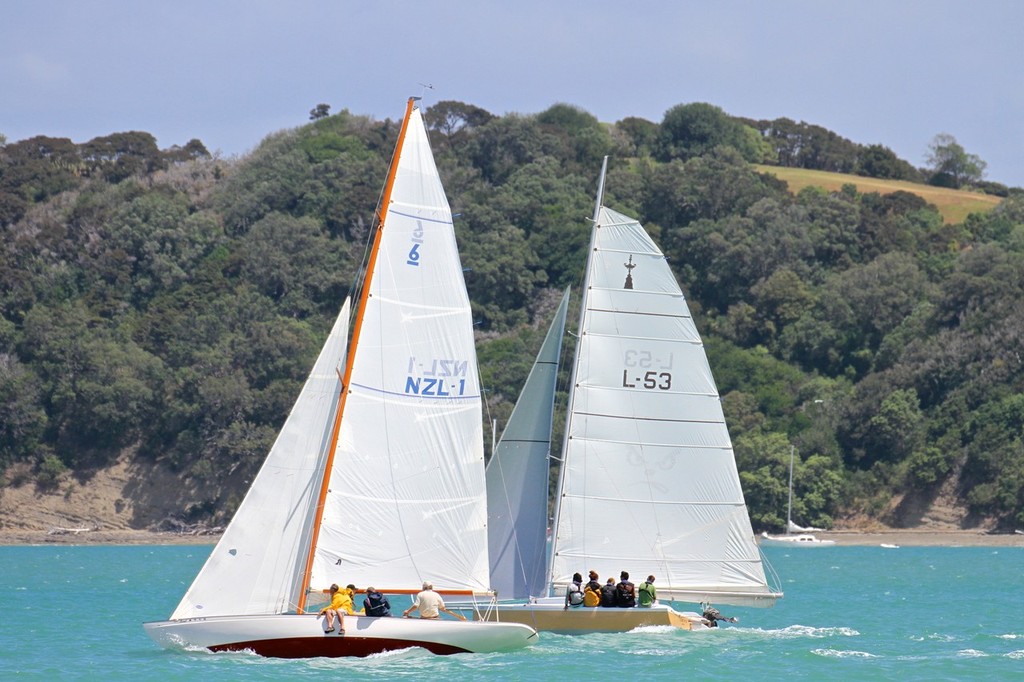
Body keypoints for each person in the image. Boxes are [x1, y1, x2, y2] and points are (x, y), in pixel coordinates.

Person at [402, 581, 467, 621]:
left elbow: (416, 606)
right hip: (435, 618)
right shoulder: (436, 595)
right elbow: (443, 608)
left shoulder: (420, 594)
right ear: (431, 587)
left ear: (423, 587)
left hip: (424, 619)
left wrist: (407, 611)